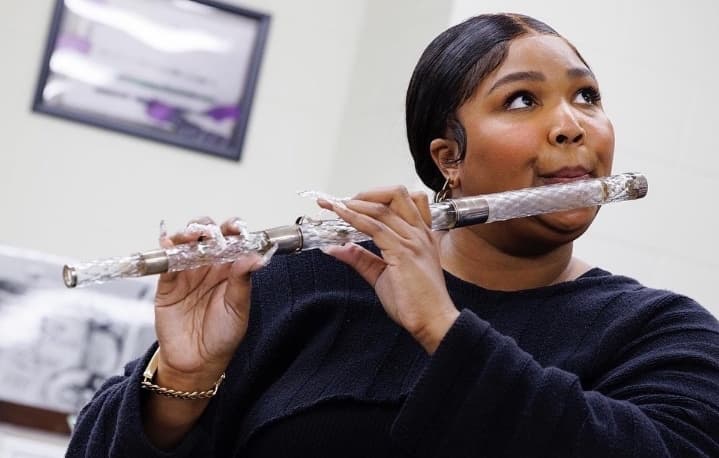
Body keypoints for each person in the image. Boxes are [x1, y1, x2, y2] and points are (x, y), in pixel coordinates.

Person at [66, 13, 719, 457]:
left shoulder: (663, 335)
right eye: (522, 99)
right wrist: (181, 378)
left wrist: (443, 327)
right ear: (447, 158)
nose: (571, 125)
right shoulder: (298, 286)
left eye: (587, 96)